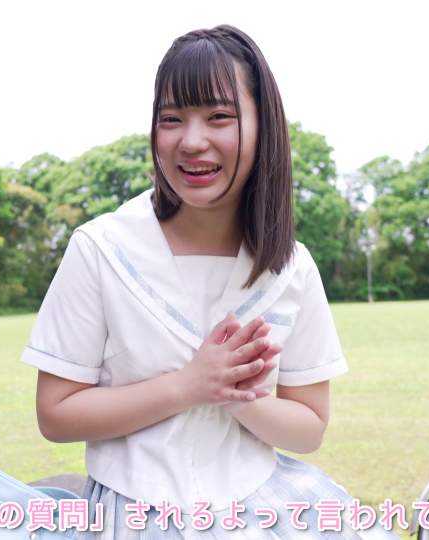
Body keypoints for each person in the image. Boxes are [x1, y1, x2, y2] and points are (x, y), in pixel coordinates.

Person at [21, 25, 399, 539]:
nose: (192, 141)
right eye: (171, 119)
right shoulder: (101, 249)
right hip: (133, 517)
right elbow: (56, 414)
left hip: (263, 512)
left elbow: (309, 427)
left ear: (263, 125)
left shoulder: (292, 266)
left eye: (219, 116)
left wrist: (238, 397)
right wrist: (188, 386)